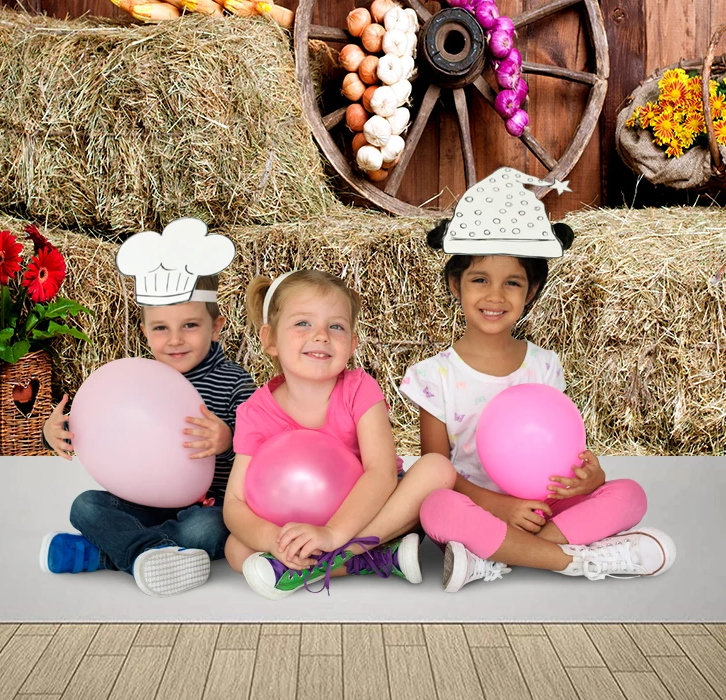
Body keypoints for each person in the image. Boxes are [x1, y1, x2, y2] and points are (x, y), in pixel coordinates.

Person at [402, 167, 676, 591]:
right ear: (455, 284)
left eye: (512, 283)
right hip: (480, 508)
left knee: (630, 493)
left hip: (544, 509)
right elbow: (438, 471)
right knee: (436, 506)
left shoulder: (544, 367)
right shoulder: (434, 376)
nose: (495, 296)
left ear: (531, 291)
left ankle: (501, 558)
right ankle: (574, 559)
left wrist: (591, 478)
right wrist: (502, 507)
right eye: (480, 280)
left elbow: (567, 454)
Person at [39, 219, 256, 596]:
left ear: (216, 326)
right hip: (144, 501)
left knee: (206, 530)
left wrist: (228, 439)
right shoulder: (135, 381)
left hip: (210, 505)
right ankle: (152, 553)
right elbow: (99, 424)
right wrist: (53, 433)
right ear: (144, 332)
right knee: (85, 506)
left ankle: (107, 553)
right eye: (160, 328)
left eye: (189, 325)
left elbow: (265, 449)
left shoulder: (235, 383)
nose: (174, 340)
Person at [223, 269, 456, 599]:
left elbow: (381, 473)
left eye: (336, 326)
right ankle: (376, 559)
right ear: (270, 340)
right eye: (303, 323)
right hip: (297, 521)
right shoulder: (255, 411)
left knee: (438, 468)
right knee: (237, 549)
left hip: (368, 512)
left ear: (352, 344)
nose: (321, 335)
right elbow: (234, 503)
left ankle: (341, 554)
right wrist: (274, 539)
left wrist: (333, 534)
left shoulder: (360, 388)